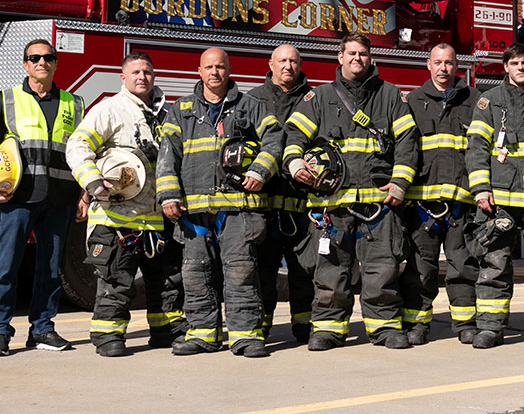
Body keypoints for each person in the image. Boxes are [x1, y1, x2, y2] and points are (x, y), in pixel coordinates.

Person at [283, 32, 419, 351]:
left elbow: (407, 143)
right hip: (331, 205)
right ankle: (329, 329)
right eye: (352, 53)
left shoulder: (389, 96)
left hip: (378, 203)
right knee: (330, 270)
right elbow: (293, 135)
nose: (357, 59)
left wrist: (399, 183)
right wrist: (293, 162)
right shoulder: (318, 99)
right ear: (340, 57)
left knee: (382, 268)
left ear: (370, 58)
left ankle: (384, 326)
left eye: (363, 54)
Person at [156, 48, 283, 357]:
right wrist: (169, 194)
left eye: (220, 67)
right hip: (194, 211)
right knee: (196, 272)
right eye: (209, 67)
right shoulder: (180, 110)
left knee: (241, 271)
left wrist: (260, 171)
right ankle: (202, 334)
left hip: (238, 208)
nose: (215, 72)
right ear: (199, 71)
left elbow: (275, 139)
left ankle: (246, 336)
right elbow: (167, 154)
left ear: (229, 70)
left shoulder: (250, 106)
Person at [65, 51, 185, 356]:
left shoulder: (166, 113)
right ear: (123, 77)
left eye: (147, 72)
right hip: (117, 217)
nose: (142, 77)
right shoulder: (109, 110)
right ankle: (108, 336)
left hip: (158, 219)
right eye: (135, 72)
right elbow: (77, 145)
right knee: (116, 281)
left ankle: (166, 330)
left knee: (167, 282)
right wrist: (92, 182)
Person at [0, 39, 86, 356]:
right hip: (19, 199)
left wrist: (84, 195)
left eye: (48, 57)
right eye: (35, 58)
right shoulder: (7, 99)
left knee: (50, 269)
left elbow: (81, 154)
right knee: (6, 267)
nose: (42, 62)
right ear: (26, 64)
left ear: (55, 63)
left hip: (60, 200)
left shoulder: (74, 103)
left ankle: (42, 329)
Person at [466, 43, 524, 348]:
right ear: (505, 67)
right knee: (494, 262)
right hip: (499, 198)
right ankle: (491, 326)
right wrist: (481, 188)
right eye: (515, 63)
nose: (520, 68)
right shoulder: (489, 101)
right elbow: (477, 148)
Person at [400, 43, 482, 345]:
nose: (443, 68)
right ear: (428, 65)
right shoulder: (413, 101)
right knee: (421, 268)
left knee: (463, 267)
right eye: (438, 62)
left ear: (456, 65)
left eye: (449, 63)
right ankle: (418, 325)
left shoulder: (475, 100)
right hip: (423, 204)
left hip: (462, 204)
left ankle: (465, 325)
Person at [247, 44, 318, 345]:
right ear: (271, 64)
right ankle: (260, 327)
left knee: (305, 269)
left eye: (293, 61)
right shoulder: (252, 100)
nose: (288, 66)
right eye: (282, 61)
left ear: (300, 65)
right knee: (261, 270)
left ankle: (305, 327)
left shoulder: (315, 99)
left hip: (301, 201)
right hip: (262, 203)